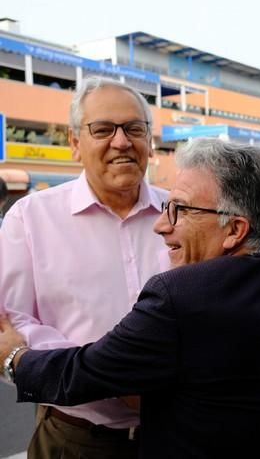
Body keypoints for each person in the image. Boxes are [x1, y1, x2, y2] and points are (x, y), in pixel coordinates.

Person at [0, 138, 260, 458]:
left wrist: (13, 355)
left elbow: (80, 375)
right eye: (165, 207)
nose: (159, 225)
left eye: (179, 210)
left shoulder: (180, 298)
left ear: (234, 230)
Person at [0, 76, 168, 459]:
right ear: (75, 142)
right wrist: (110, 380)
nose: (121, 142)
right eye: (103, 129)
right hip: (74, 438)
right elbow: (14, 323)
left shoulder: (181, 213)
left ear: (149, 140)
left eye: (134, 128)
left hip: (172, 434)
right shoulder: (31, 218)